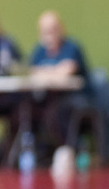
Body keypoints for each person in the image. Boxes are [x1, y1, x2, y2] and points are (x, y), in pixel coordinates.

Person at [29, 11, 92, 152]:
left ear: (61, 29)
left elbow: (66, 72)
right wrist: (54, 71)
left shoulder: (71, 47)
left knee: (56, 112)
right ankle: (40, 153)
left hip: (78, 97)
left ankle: (72, 150)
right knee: (25, 110)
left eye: (53, 29)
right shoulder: (39, 51)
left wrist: (45, 72)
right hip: (50, 97)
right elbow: (33, 72)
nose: (50, 34)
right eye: (45, 31)